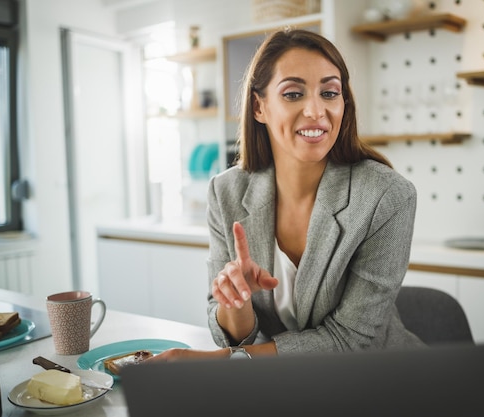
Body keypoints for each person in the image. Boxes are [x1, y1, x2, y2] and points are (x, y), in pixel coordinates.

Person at [150, 28, 423, 362]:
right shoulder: (226, 192)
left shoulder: (386, 196)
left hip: (380, 383)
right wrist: (237, 301)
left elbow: (351, 341)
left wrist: (224, 363)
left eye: (329, 93)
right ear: (258, 107)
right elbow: (228, 332)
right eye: (294, 94)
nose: (315, 111)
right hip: (282, 389)